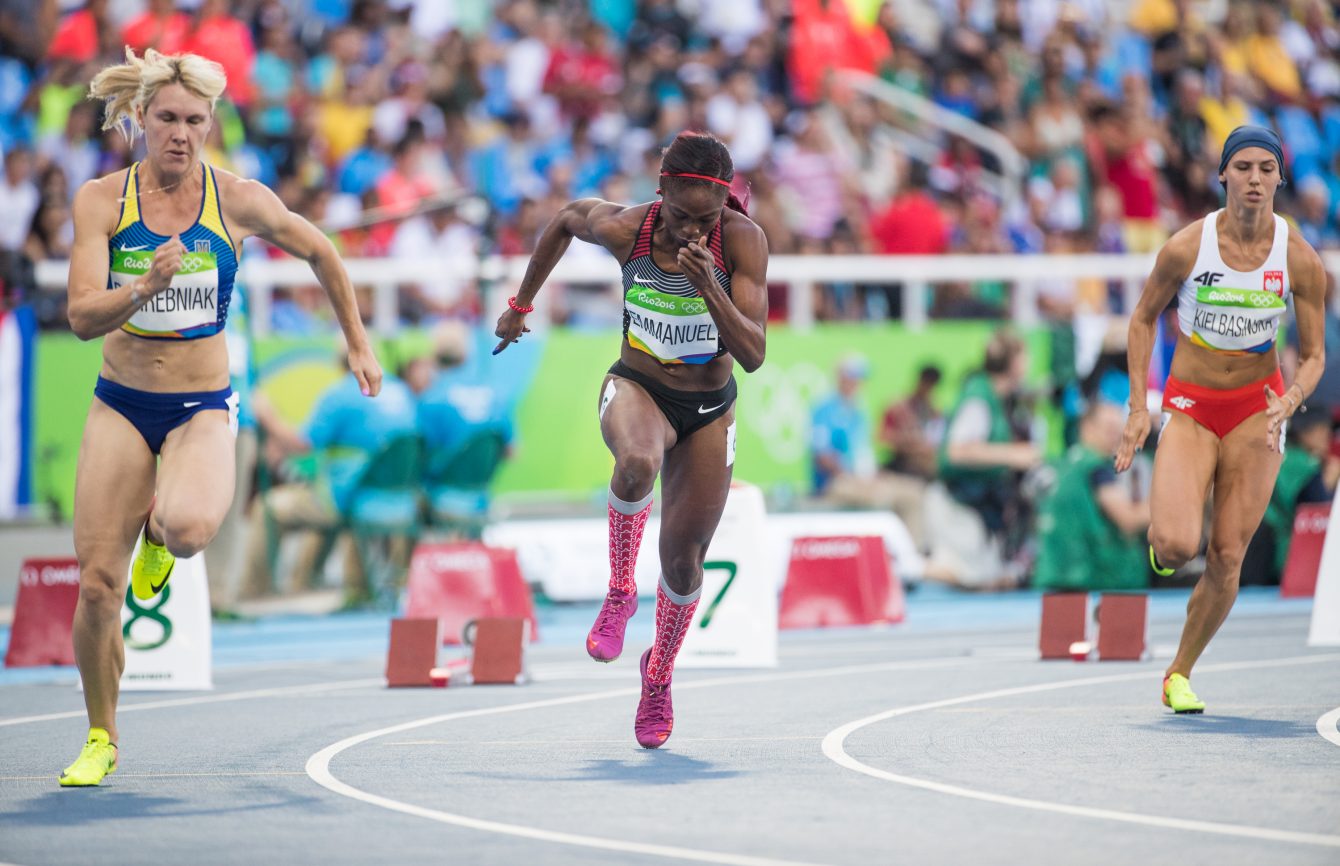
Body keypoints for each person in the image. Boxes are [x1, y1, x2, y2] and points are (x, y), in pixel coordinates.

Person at [60, 48, 383, 787]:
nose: (180, 133)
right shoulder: (101, 201)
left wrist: (358, 346)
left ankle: (156, 531)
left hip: (202, 405)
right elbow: (80, 317)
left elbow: (323, 252)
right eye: (167, 118)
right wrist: (144, 288)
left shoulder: (236, 199)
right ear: (140, 119)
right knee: (97, 588)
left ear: (212, 124)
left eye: (194, 121)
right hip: (121, 401)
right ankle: (101, 736)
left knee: (189, 531)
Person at [493, 130, 767, 748]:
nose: (692, 232)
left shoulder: (742, 241)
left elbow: (752, 354)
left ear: (722, 207)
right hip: (638, 386)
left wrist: (710, 288)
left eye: (705, 219)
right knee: (637, 463)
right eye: (680, 215)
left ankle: (658, 674)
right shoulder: (628, 230)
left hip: (709, 407)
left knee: (684, 560)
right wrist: (521, 305)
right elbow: (565, 219)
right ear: (660, 191)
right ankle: (619, 591)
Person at [1116, 125, 1326, 715]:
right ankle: (1166, 540)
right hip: (1190, 406)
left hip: (1257, 411)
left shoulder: (1299, 259)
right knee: (1179, 544)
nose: (1255, 179)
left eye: (1267, 168)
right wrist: (1139, 407)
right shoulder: (1187, 246)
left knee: (1228, 555)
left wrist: (1293, 398)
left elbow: (1312, 356)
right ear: (1224, 176)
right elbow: (1140, 320)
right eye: (1244, 168)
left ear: (1280, 178)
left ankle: (1178, 672)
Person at [1034, 401, 1151, 591]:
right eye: (1109, 430)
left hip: (1054, 572)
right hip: (1093, 576)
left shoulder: (1061, 464)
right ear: (1086, 427)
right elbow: (1128, 519)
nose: (1116, 438)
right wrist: (1170, 507)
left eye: (1118, 431)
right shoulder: (1097, 468)